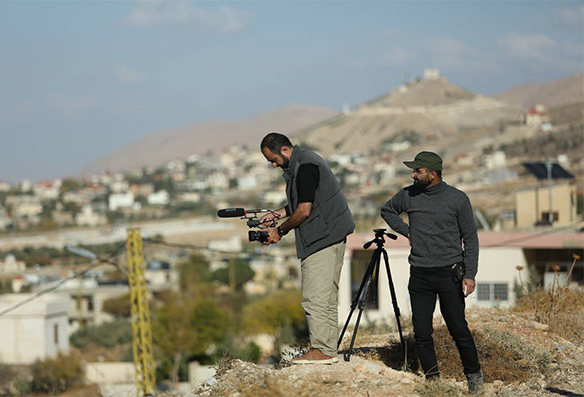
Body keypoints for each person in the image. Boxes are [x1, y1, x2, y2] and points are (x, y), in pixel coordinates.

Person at [380, 151, 484, 394]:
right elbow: (387, 211)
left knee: (458, 329)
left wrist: (470, 274)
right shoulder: (408, 194)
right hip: (420, 274)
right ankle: (433, 381)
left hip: (450, 274)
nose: (412, 174)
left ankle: (474, 377)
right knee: (422, 331)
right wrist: (407, 232)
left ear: (432, 174)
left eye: (417, 171)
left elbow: (470, 238)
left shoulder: (457, 199)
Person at [259, 132, 355, 365]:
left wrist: (279, 231)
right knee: (326, 297)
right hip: (329, 235)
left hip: (321, 239)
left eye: (272, 159)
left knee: (314, 298)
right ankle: (327, 348)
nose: (273, 164)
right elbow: (304, 199)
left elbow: (304, 210)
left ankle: (322, 350)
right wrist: (278, 213)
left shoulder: (305, 166)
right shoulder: (304, 162)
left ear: (284, 150)